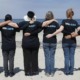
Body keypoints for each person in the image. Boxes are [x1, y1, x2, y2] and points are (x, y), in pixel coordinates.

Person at [46, 8, 80, 75]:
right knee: (72, 57)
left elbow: (60, 30)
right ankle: (71, 71)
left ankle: (67, 71)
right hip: (73, 42)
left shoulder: (64, 21)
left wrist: (52, 34)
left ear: (66, 14)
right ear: (72, 14)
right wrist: (74, 34)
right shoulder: (75, 22)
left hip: (65, 41)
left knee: (67, 57)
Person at [42, 11, 59, 76]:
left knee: (47, 57)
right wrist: (53, 20)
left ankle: (47, 72)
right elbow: (59, 30)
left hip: (46, 41)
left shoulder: (44, 22)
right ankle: (52, 72)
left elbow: (41, 26)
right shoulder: (55, 22)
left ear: (46, 16)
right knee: (51, 57)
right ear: (52, 16)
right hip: (53, 41)